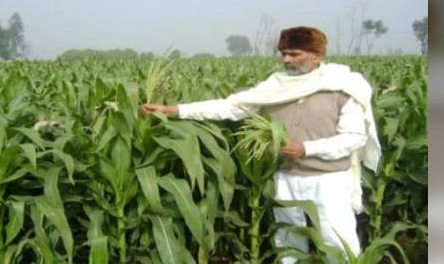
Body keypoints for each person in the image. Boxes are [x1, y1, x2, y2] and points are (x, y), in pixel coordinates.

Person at [141, 26, 381, 263]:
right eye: (283, 53)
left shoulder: (343, 86)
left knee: (337, 242)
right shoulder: (275, 86)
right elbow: (231, 107)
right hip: (286, 176)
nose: (286, 59)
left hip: (328, 180)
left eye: (294, 54)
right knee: (288, 242)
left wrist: (307, 149)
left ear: (317, 55)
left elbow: (354, 137)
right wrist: (173, 110)